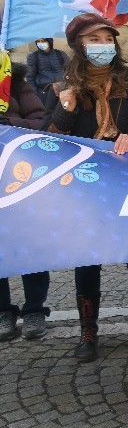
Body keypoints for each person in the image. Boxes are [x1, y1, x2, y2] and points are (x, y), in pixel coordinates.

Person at [45, 13, 128, 362]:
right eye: (94, 40)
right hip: (83, 191)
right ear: (79, 47)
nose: (103, 46)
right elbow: (48, 143)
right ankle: (88, 330)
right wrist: (66, 108)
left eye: (107, 39)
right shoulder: (61, 90)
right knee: (87, 259)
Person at [0, 58, 51, 342]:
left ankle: (34, 309)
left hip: (18, 179)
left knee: (28, 244)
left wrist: (8, 124)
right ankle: (2, 310)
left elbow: (39, 122)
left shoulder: (17, 82)